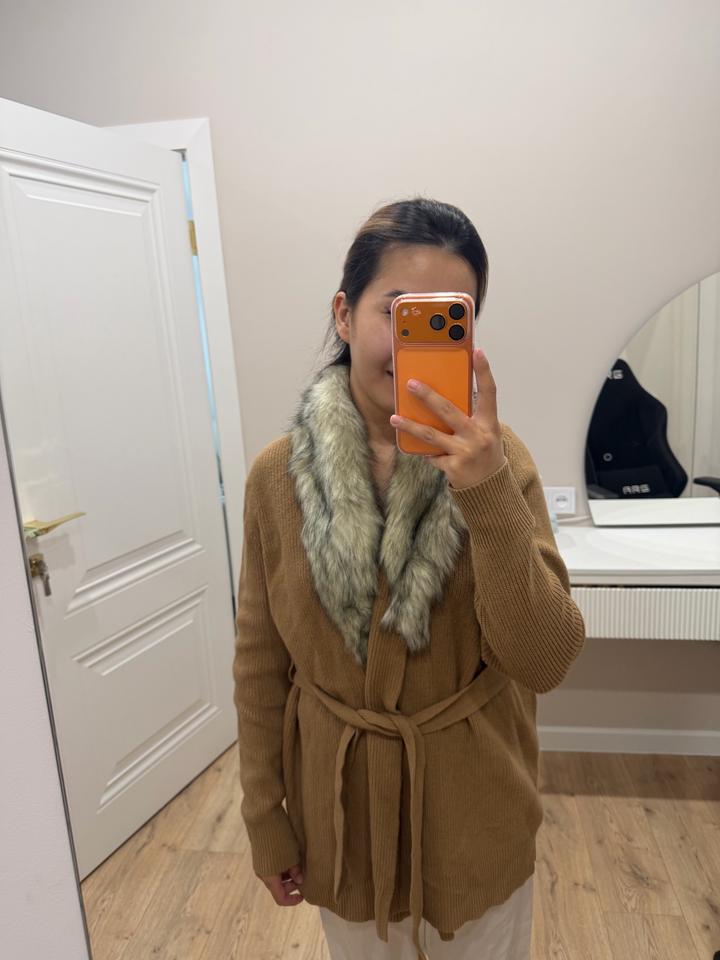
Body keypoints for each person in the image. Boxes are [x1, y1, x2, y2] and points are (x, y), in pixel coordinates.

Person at [232, 197, 586, 960]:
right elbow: (260, 660)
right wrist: (266, 817)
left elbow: (545, 660)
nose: (410, 344)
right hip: (342, 819)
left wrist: (488, 496)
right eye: (396, 313)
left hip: (475, 812)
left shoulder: (502, 465)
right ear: (344, 314)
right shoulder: (276, 477)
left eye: (446, 319)